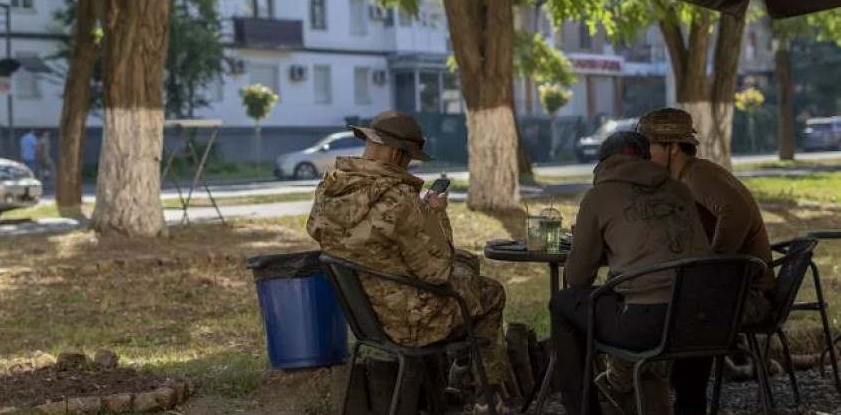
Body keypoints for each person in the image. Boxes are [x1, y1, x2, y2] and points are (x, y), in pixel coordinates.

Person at [306, 110, 515, 414]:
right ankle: (487, 395)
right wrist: (435, 214)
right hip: (408, 323)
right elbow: (438, 271)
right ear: (396, 153)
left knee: (467, 268)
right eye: (410, 157)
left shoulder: (328, 189)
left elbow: (321, 232)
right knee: (491, 292)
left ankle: (454, 379)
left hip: (366, 317)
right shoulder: (400, 200)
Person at [551, 131, 713, 415]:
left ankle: (583, 409)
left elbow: (578, 278)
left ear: (602, 164)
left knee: (564, 304)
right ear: (647, 159)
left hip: (646, 324)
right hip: (705, 318)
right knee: (686, 308)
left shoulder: (598, 196)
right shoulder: (680, 190)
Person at [636, 107, 775, 415]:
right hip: (731, 292)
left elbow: (735, 212)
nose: (645, 156)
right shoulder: (688, 177)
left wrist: (711, 264)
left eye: (650, 148)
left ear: (671, 147)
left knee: (683, 317)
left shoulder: (697, 175)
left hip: (747, 296)